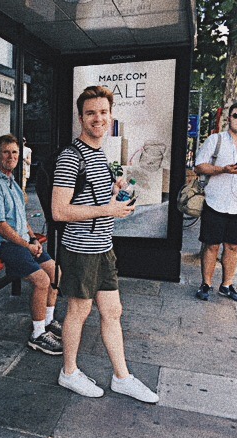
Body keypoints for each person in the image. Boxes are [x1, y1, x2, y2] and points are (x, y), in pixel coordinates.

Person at [51, 85, 158, 403]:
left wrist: (117, 199)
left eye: (102, 112)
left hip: (102, 248)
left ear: (110, 116)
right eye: (90, 113)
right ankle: (68, 372)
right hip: (81, 250)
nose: (97, 118)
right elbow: (60, 210)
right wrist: (107, 209)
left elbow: (98, 202)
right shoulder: (71, 158)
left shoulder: (101, 155)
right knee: (79, 311)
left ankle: (122, 377)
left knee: (113, 311)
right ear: (81, 117)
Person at [0, 134, 62, 355]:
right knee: (41, 280)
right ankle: (37, 334)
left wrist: (33, 238)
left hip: (21, 241)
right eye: (6, 152)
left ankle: (49, 321)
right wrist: (26, 245)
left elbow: (21, 219)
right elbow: (0, 226)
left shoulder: (12, 182)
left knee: (55, 271)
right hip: (2, 244)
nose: (11, 156)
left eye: (15, 152)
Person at [194, 102, 237, 302]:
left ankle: (227, 285)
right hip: (215, 201)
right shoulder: (216, 140)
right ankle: (206, 284)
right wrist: (222, 169)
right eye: (236, 115)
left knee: (233, 247)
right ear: (229, 118)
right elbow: (199, 167)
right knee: (211, 245)